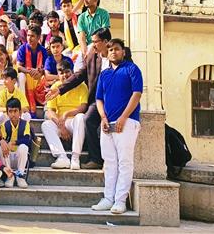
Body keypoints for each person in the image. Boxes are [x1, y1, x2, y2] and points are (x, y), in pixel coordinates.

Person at [46, 27, 112, 170]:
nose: (93, 45)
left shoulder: (117, 56)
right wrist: (60, 89)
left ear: (106, 42)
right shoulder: (92, 56)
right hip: (98, 100)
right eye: (92, 42)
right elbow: (80, 75)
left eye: (95, 42)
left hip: (115, 100)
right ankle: (95, 159)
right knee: (88, 119)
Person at [93, 39, 143, 215]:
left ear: (123, 51)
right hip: (107, 123)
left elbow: (137, 94)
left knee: (125, 162)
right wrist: (103, 118)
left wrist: (123, 117)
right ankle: (108, 198)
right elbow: (99, 99)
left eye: (117, 49)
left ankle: (120, 201)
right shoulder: (104, 74)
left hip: (127, 122)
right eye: (110, 50)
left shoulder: (132, 69)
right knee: (109, 162)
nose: (113, 52)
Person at [41, 59, 88, 170]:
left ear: (72, 72)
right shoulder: (55, 87)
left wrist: (67, 114)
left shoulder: (82, 86)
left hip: (74, 122)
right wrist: (61, 126)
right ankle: (62, 157)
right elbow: (50, 111)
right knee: (46, 125)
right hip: (60, 122)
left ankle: (75, 157)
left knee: (81, 117)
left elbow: (83, 107)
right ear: (58, 74)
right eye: (61, 73)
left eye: (67, 72)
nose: (64, 75)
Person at [15, 25, 51, 113]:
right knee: (21, 76)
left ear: (38, 37)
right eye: (28, 35)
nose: (29, 38)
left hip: (39, 77)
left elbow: (46, 67)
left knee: (48, 78)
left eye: (32, 36)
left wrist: (39, 71)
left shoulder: (43, 50)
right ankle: (24, 106)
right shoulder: (23, 48)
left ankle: (48, 106)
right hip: (27, 77)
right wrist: (30, 71)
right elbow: (19, 66)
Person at [0, 98, 31, 188]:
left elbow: (27, 140)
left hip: (19, 157)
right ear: (7, 113)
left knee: (24, 147)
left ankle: (20, 176)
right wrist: (5, 144)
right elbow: (2, 139)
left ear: (20, 112)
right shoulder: (5, 125)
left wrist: (14, 142)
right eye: (10, 111)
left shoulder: (25, 124)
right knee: (0, 149)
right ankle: (10, 176)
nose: (13, 114)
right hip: (7, 158)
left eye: (15, 111)